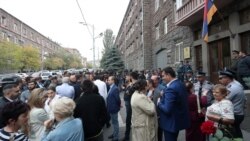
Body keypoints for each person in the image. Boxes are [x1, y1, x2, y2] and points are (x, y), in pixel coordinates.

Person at [158, 67, 190, 141]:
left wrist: (159, 103)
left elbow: (167, 109)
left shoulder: (171, 88)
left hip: (170, 123)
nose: (162, 78)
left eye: (163, 76)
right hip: (177, 121)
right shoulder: (179, 83)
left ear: (168, 75)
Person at [218, 69, 246, 138]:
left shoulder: (232, 88)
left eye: (222, 78)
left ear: (227, 78)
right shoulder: (235, 85)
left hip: (235, 114)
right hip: (237, 113)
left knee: (232, 134)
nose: (220, 80)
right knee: (235, 132)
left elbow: (221, 100)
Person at [123, 71, 138, 141]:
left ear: (131, 77)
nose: (126, 77)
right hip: (129, 103)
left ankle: (127, 137)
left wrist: (128, 88)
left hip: (131, 103)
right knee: (129, 119)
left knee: (128, 120)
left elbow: (128, 93)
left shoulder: (135, 84)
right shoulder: (131, 84)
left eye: (127, 76)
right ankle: (127, 136)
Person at [107, 76, 121, 141]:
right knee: (113, 122)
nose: (108, 81)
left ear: (113, 81)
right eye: (108, 80)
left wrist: (118, 105)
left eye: (109, 80)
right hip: (111, 108)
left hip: (114, 108)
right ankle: (114, 134)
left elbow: (118, 99)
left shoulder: (115, 88)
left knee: (115, 123)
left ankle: (116, 138)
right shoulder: (111, 87)